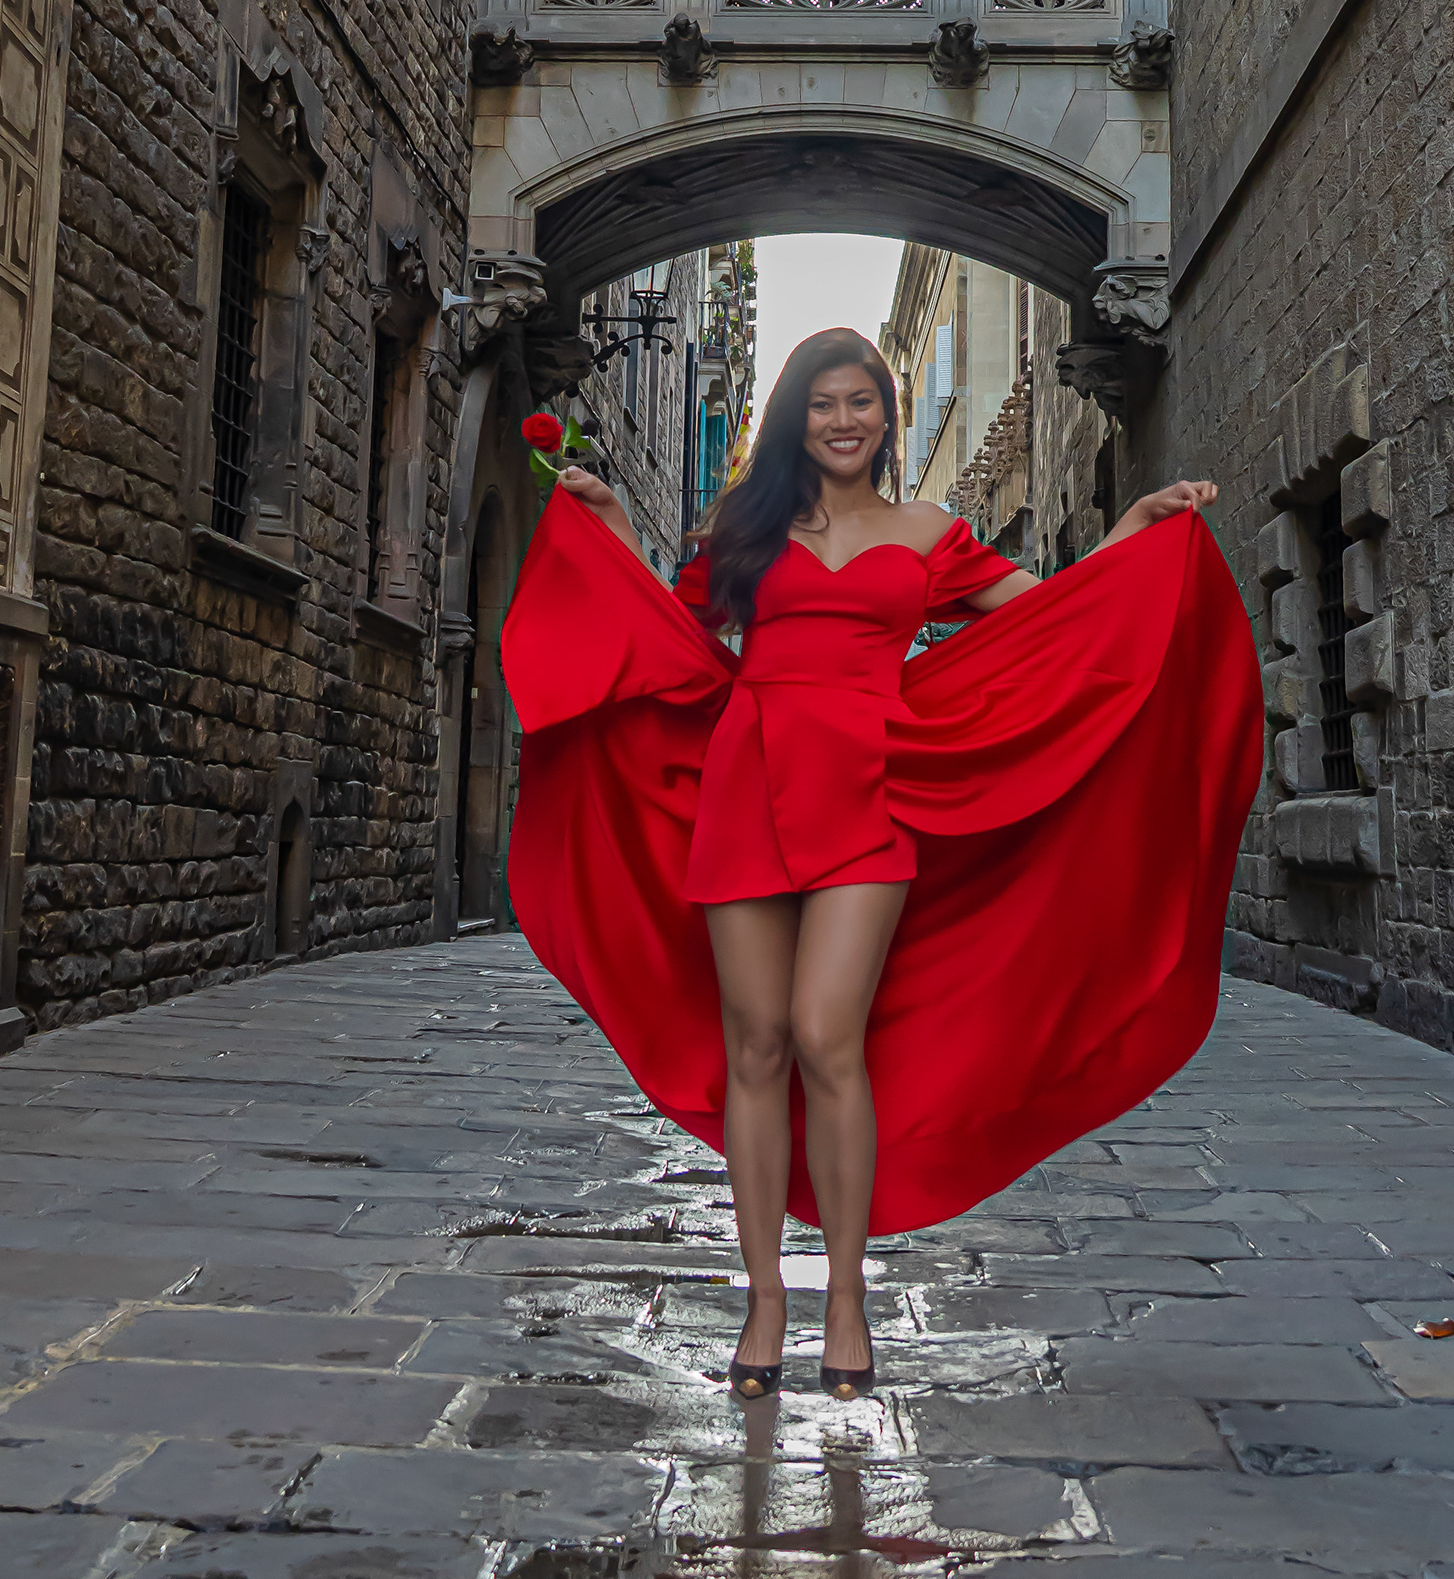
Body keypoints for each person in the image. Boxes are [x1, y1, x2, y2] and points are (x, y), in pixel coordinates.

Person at [501, 326, 1262, 1402]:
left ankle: (847, 1294)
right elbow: (673, 638)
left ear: (886, 419)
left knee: (825, 1036)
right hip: (744, 784)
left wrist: (1132, 539)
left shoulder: (930, 532)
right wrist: (619, 528)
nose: (844, 420)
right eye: (824, 403)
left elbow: (1053, 622)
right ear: (794, 418)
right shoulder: (743, 530)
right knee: (757, 1046)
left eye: (862, 402)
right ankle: (766, 1296)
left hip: (869, 792)